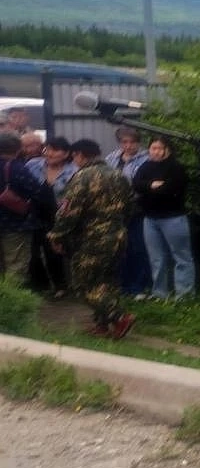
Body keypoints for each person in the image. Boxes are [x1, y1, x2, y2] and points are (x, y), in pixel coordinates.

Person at [46, 139, 135, 339]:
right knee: (106, 282)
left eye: (74, 156)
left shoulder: (82, 177)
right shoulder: (117, 174)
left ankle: (120, 317)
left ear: (79, 155)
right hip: (118, 235)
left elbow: (69, 211)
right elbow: (130, 206)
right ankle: (103, 324)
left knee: (83, 283)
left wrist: (57, 235)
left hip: (92, 238)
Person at [132, 136, 195, 301]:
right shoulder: (145, 166)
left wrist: (149, 188)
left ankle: (184, 295)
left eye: (159, 148)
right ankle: (160, 293)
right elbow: (136, 184)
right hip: (150, 218)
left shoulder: (176, 168)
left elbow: (170, 189)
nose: (156, 152)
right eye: (153, 148)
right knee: (156, 258)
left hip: (173, 218)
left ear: (167, 149)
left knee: (181, 257)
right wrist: (152, 185)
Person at [27, 136, 77, 298]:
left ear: (66, 153)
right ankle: (40, 286)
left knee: (55, 252)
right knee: (33, 252)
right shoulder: (33, 165)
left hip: (59, 216)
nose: (49, 153)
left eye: (55, 150)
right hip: (33, 216)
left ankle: (61, 286)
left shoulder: (74, 170)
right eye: (47, 149)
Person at [105, 125, 151, 299]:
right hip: (115, 210)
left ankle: (138, 287)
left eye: (132, 142)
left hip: (137, 208)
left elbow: (143, 184)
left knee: (138, 248)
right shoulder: (111, 158)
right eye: (125, 142)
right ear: (120, 143)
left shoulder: (146, 159)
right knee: (120, 248)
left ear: (138, 143)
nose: (129, 146)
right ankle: (122, 286)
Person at [1, 131, 46, 285]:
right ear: (18, 149)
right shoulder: (17, 168)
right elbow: (37, 191)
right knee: (16, 265)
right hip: (15, 224)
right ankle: (12, 303)